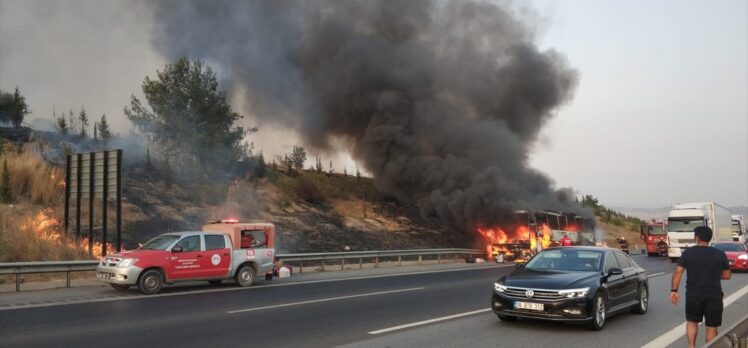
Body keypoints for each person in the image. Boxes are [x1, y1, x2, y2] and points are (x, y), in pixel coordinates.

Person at [670, 226, 731, 348]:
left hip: (694, 294)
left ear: (697, 237)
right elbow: (726, 275)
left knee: (692, 321)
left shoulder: (688, 253)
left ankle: (691, 346)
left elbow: (678, 272)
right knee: (712, 326)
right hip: (714, 295)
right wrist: (712, 275)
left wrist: (674, 291)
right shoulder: (720, 254)